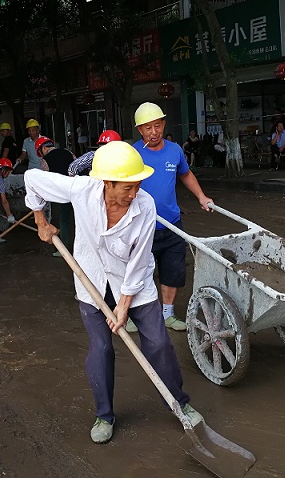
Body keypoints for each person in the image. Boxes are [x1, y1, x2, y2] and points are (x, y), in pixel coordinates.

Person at [23, 141, 203, 444]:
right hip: (91, 281)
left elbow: (139, 260)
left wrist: (123, 304)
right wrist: (41, 221)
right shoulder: (82, 190)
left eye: (137, 185)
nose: (134, 194)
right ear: (106, 183)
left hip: (134, 283)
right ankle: (104, 415)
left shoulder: (145, 206)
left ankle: (179, 402)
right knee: (101, 348)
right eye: (127, 188)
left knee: (159, 343)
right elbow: (32, 179)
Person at [132, 102, 213, 331]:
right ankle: (134, 315)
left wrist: (201, 196)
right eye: (148, 128)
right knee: (138, 272)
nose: (154, 132)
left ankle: (167, 314)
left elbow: (185, 174)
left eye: (157, 126)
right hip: (141, 226)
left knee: (173, 270)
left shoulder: (175, 150)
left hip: (172, 225)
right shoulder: (133, 154)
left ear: (164, 124)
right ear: (140, 129)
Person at [37, 136, 76, 255]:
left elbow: (46, 179)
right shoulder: (68, 152)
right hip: (75, 189)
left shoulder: (45, 160)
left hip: (59, 193)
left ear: (43, 148)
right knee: (77, 218)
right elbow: (77, 167)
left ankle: (63, 249)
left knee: (62, 220)